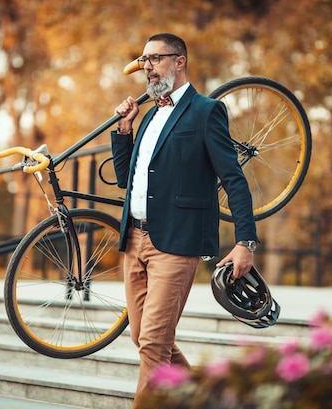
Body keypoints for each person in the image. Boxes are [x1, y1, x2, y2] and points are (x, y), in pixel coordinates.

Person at [111, 33, 259, 408]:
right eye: (144, 59)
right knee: (141, 336)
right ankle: (206, 398)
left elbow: (233, 179)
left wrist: (246, 241)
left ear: (180, 61)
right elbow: (128, 178)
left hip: (175, 245)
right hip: (134, 241)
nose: (147, 66)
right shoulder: (149, 114)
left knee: (153, 344)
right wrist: (124, 130)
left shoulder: (206, 111)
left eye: (155, 58)